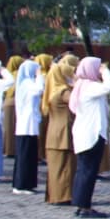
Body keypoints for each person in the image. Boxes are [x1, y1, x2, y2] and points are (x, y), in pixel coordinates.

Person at [68, 56, 110, 218]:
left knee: (83, 170)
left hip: (83, 134)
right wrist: (105, 71)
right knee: (88, 172)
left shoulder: (80, 85)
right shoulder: (90, 86)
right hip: (92, 135)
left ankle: (81, 203)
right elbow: (109, 87)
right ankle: (84, 206)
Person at [43, 56, 79, 205]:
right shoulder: (63, 92)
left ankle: (55, 195)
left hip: (54, 131)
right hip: (63, 131)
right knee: (65, 166)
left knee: (56, 167)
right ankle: (63, 195)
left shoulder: (52, 91)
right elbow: (77, 103)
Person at [12, 60, 43, 194]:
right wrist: (40, 75)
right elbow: (39, 89)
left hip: (28, 124)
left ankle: (25, 184)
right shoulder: (27, 83)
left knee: (28, 155)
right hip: (27, 125)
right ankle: (21, 185)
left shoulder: (26, 83)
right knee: (25, 155)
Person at [1, 54, 24, 158]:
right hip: (15, 102)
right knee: (14, 127)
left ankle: (7, 149)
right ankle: (12, 150)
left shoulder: (8, 74)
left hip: (7, 102)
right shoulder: (18, 74)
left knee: (8, 127)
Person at [33, 53, 54, 162]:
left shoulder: (36, 75)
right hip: (44, 105)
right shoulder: (45, 76)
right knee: (43, 131)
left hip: (39, 105)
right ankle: (41, 154)